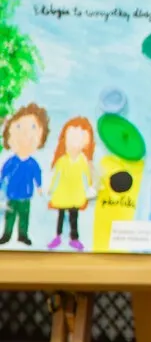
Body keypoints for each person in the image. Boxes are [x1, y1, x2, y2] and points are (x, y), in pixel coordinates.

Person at [0, 104, 48, 246]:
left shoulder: (32, 163)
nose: (25, 135)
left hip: (26, 195)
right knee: (10, 216)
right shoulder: (11, 161)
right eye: (19, 127)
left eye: (33, 128)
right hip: (12, 195)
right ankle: (6, 235)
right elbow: (3, 174)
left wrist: (39, 187)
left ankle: (23, 235)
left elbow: (37, 175)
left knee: (24, 217)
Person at [45, 117, 95, 251]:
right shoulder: (62, 161)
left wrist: (89, 189)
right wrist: (51, 189)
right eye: (71, 138)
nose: (74, 143)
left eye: (79, 139)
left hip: (76, 194)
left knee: (74, 217)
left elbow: (86, 177)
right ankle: (58, 236)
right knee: (61, 216)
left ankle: (74, 238)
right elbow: (56, 176)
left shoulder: (83, 161)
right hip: (62, 193)